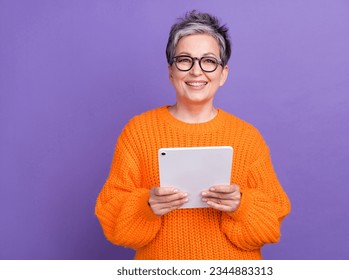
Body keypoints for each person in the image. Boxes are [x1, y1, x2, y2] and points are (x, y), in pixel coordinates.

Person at [95, 10, 290, 260]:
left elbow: (271, 224)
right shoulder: (138, 131)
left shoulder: (247, 137)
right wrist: (146, 205)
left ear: (224, 74)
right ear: (170, 71)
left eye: (208, 61)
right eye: (185, 60)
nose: (196, 71)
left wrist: (242, 204)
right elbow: (112, 219)